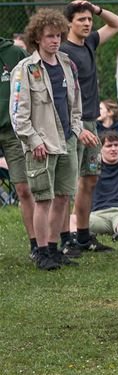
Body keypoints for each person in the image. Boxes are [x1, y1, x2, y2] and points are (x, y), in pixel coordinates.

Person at [10, 9, 83, 270]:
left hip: (67, 140)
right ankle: (40, 252)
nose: (55, 40)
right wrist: (33, 140)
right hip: (41, 144)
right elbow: (18, 113)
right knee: (43, 199)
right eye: (49, 36)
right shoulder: (25, 70)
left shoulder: (67, 64)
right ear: (37, 38)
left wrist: (75, 128)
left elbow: (76, 103)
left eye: (58, 36)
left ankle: (54, 248)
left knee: (63, 196)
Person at [60, 0, 118, 255]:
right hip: (70, 124)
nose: (87, 24)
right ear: (69, 23)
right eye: (81, 20)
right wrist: (74, 126)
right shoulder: (62, 50)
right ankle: (65, 239)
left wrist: (96, 9)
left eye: (89, 20)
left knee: (90, 179)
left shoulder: (90, 42)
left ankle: (84, 238)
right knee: (67, 185)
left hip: (91, 122)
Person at [0, 35, 36, 258]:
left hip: (13, 131)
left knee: (24, 189)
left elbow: (34, 86)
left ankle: (36, 245)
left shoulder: (14, 53)